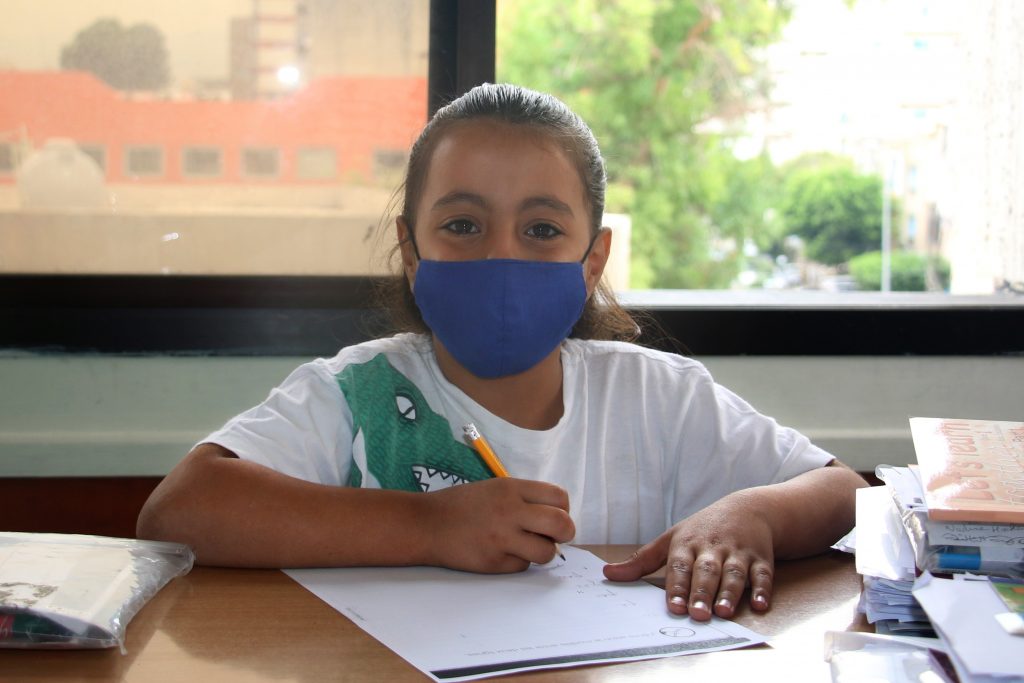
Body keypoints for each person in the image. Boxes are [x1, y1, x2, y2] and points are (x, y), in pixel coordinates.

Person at [137, 83, 867, 622]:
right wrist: (427, 526)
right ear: (411, 252)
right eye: (462, 223)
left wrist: (751, 515)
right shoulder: (359, 391)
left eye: (543, 230)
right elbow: (179, 512)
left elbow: (841, 490)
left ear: (592, 260)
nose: (501, 257)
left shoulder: (657, 396)